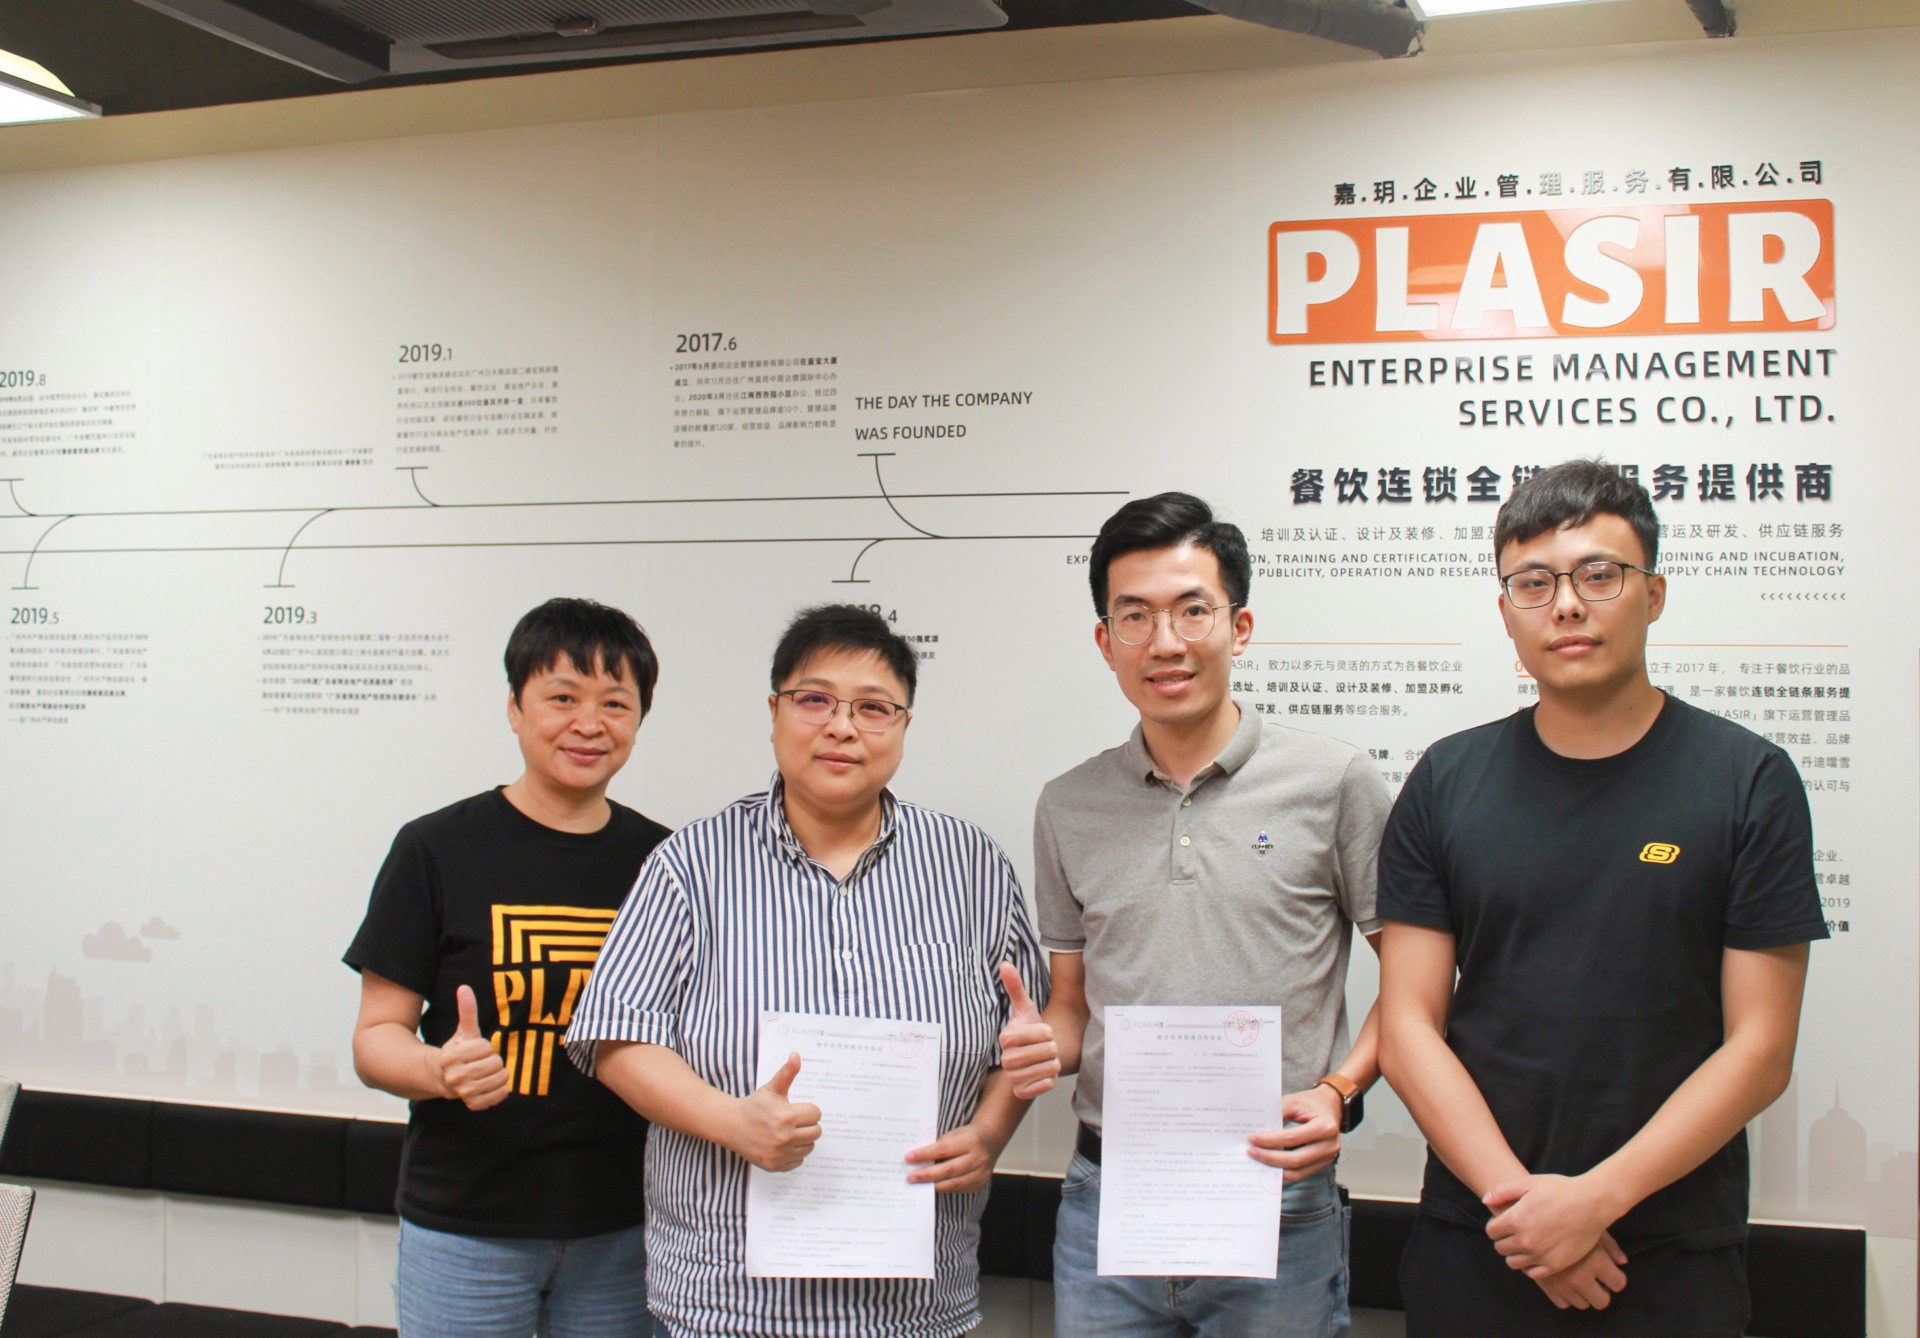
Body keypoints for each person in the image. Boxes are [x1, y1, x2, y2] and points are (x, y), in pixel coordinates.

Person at [1377, 459, 1826, 1336]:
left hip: (1668, 1251)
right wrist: (1527, 1214)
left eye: (1598, 575)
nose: (1566, 606)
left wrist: (1592, 1204)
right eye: (1534, 583)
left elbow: (1762, 1048)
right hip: (1480, 1236)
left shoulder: (1748, 780)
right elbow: (1407, 1027)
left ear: (1653, 595)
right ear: (1505, 610)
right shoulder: (1446, 779)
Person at [563, 603, 1048, 1337]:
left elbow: (1024, 1039)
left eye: (873, 708)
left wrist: (991, 1132)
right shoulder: (691, 864)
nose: (842, 727)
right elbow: (616, 1039)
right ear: (774, 713)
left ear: (904, 727)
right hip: (727, 1300)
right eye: (815, 699)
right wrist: (734, 1122)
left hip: (914, 1303)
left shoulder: (970, 865)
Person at [998, 492, 1391, 1337]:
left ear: (1239, 627)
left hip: (1275, 1194)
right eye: (1134, 616)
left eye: (1192, 610)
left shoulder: (1335, 782)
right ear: (1105, 641)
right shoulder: (1068, 804)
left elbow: (1417, 987)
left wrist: (1340, 1090)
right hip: (1109, 1198)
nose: (1165, 642)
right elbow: (1071, 1007)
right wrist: (1039, 1045)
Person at [345, 597, 669, 1338]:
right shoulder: (434, 848)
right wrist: (437, 1071)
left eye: (615, 703)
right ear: (515, 708)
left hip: (623, 1228)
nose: (589, 724)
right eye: (563, 698)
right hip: (467, 1228)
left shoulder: (665, 861)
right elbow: (375, 1038)